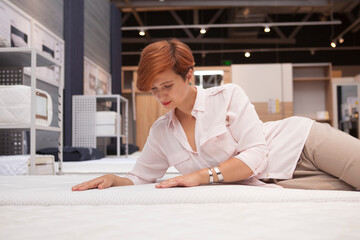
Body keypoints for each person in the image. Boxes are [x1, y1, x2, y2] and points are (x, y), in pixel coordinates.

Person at [72, 39, 360, 192]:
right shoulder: (161, 132)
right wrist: (114, 179)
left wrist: (201, 176)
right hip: (279, 180)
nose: (161, 96)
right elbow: (140, 177)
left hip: (301, 142)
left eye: (167, 86)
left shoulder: (228, 96)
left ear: (189, 76)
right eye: (154, 90)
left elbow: (256, 154)